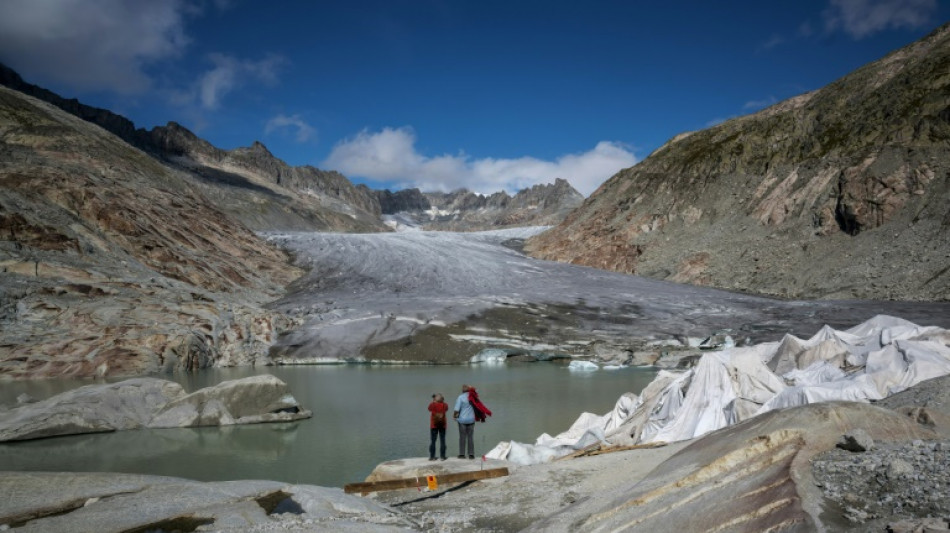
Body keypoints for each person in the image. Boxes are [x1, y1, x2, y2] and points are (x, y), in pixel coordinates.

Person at [453, 384, 476, 459]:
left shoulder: (460, 397)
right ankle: (471, 454)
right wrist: (471, 387)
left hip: (462, 420)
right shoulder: (473, 397)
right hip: (471, 419)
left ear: (462, 390)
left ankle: (462, 454)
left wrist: (454, 416)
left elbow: (456, 409)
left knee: (462, 437)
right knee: (470, 437)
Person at [428, 393, 448, 461]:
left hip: (434, 425)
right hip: (443, 425)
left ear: (435, 399)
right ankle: (442, 456)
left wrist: (434, 401)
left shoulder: (432, 405)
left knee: (433, 441)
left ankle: (432, 457)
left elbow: (429, 409)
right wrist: (441, 400)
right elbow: (447, 409)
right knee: (442, 441)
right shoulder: (445, 405)